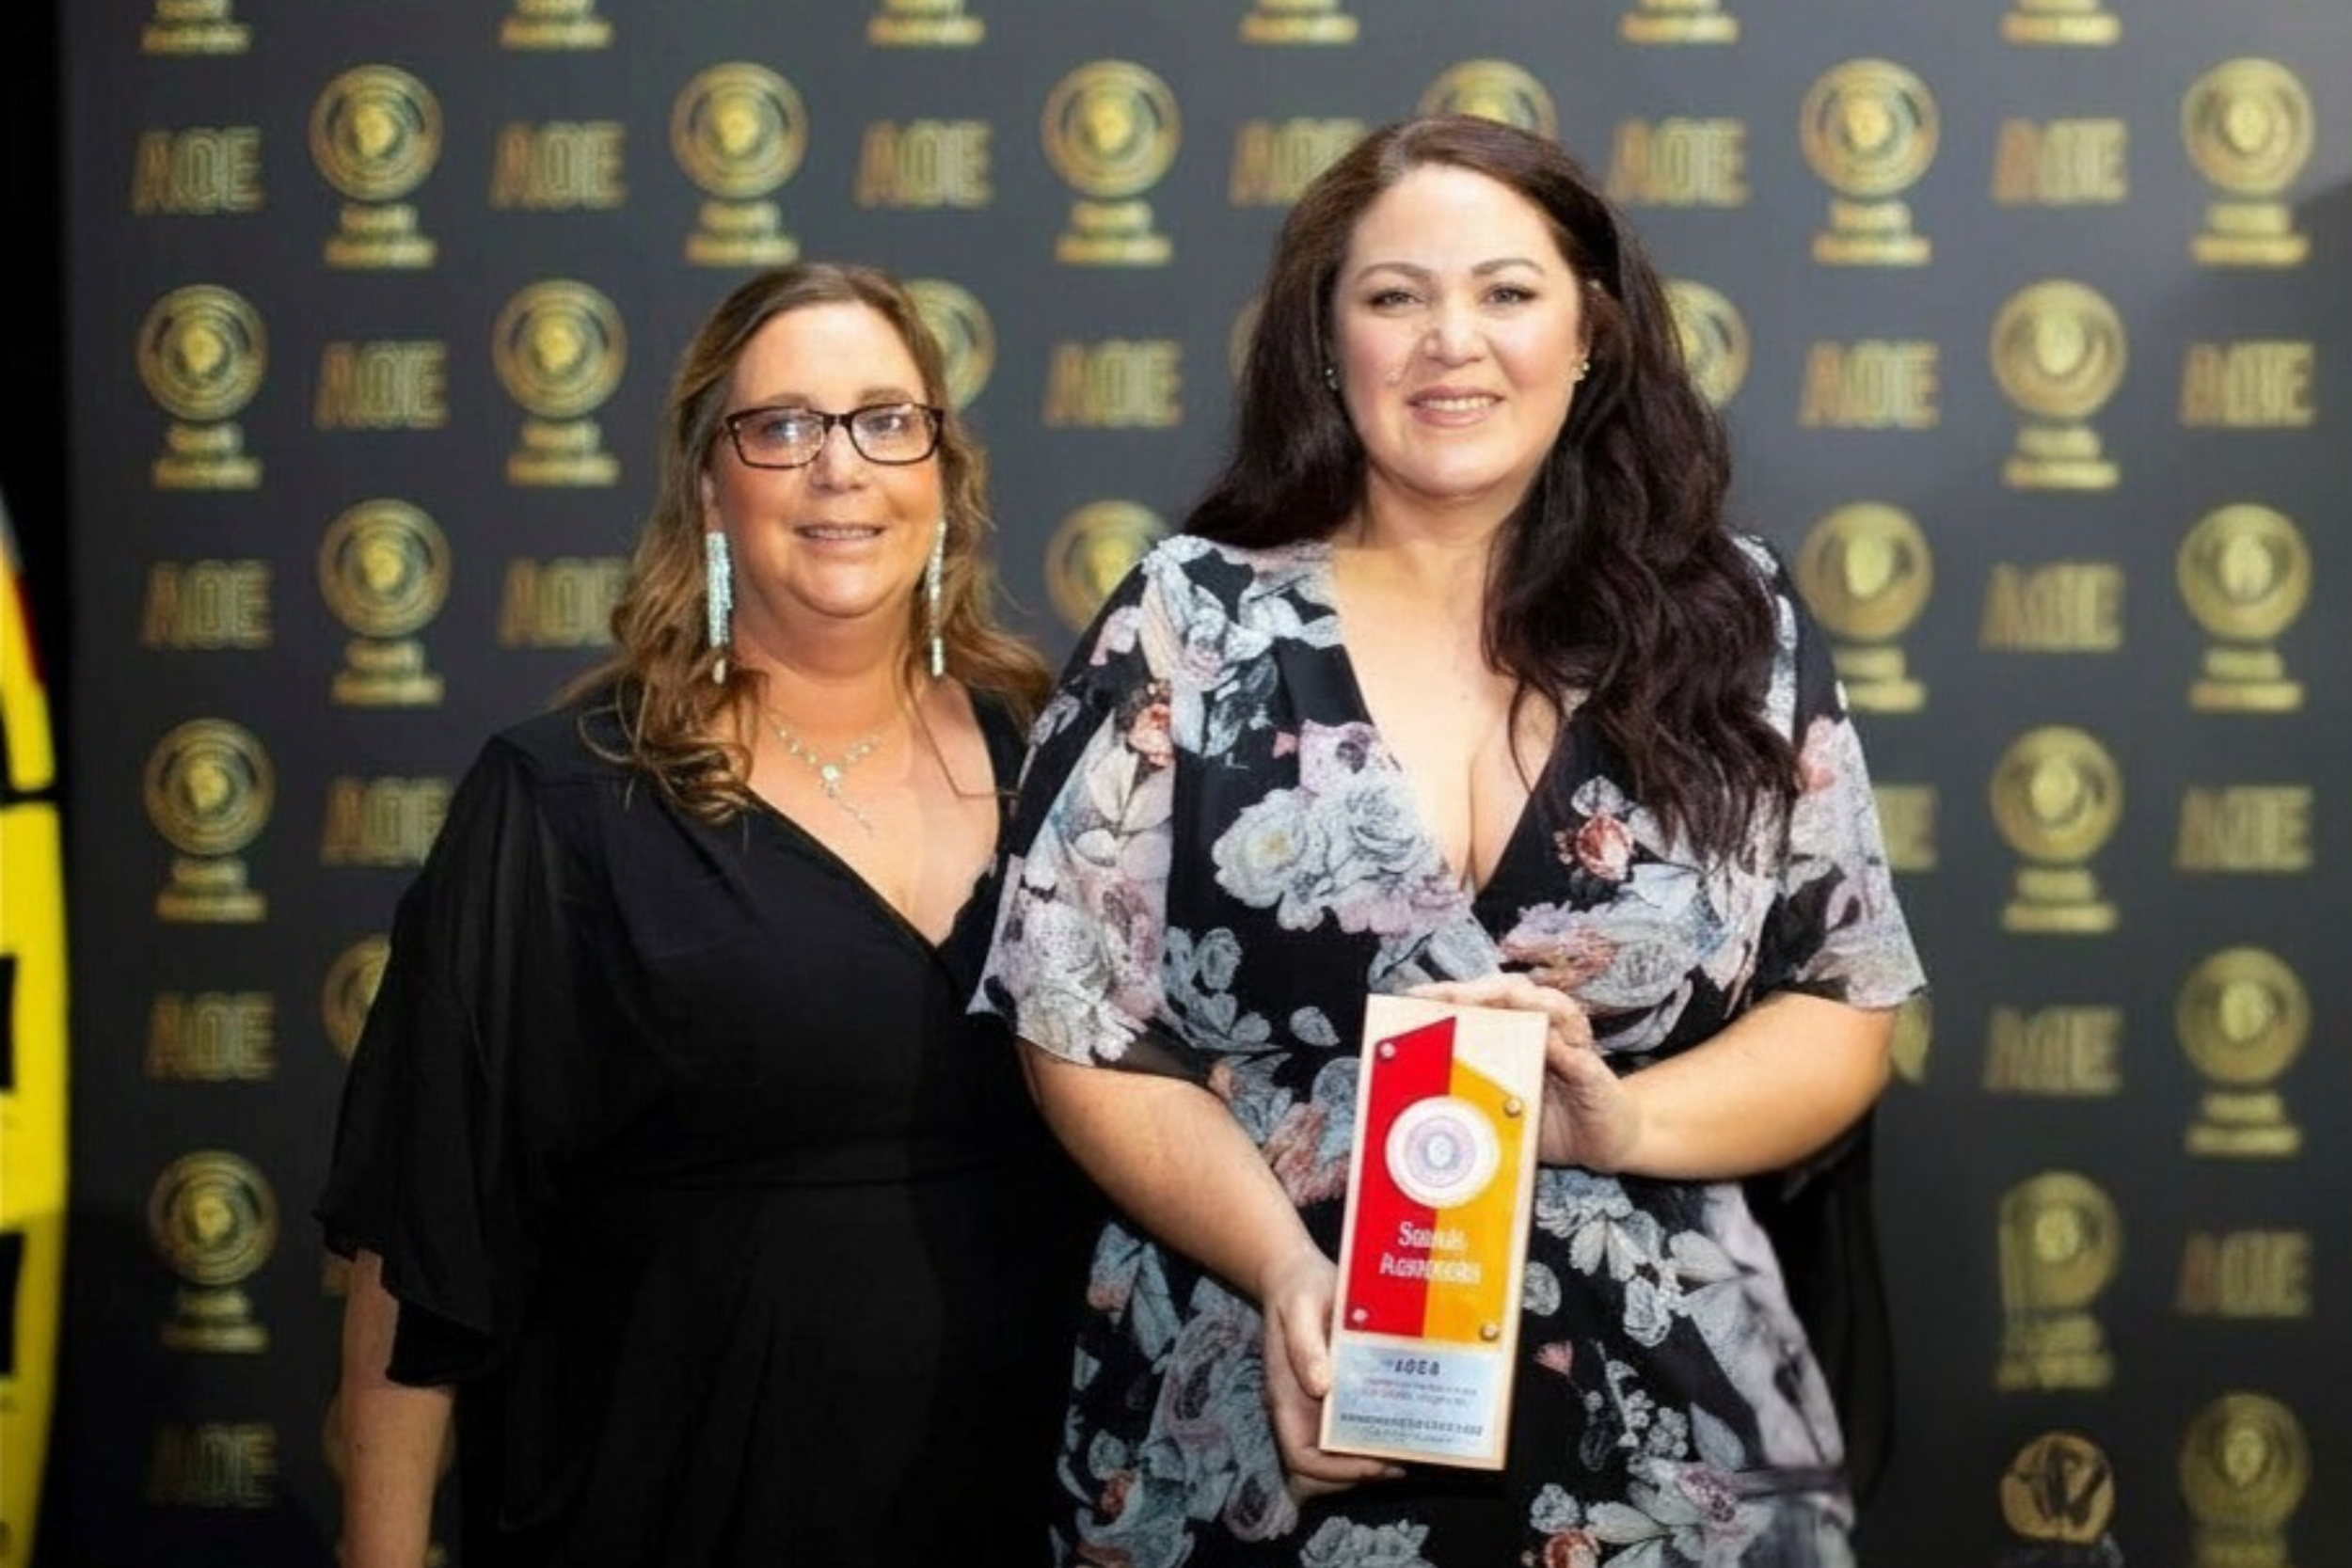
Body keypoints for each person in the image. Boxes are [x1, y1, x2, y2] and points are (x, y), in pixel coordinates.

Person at [974, 115, 1928, 1566]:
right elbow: (1073, 1019)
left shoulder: (1736, 626)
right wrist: (1289, 1271)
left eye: (1506, 291)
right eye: (1393, 297)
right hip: (1266, 1405)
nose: (1449, 342)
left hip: (1679, 1449)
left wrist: (1628, 1120)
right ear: (1327, 339)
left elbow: (1842, 997)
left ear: (1592, 332)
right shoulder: (1193, 621)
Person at [319, 261, 1092, 1568]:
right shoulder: (566, 800)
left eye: (885, 420)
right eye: (781, 426)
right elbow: (424, 1247)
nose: (838, 467)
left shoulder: (1064, 761)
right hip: (667, 1501)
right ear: (709, 490)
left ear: (944, 474)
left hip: (1015, 1506)